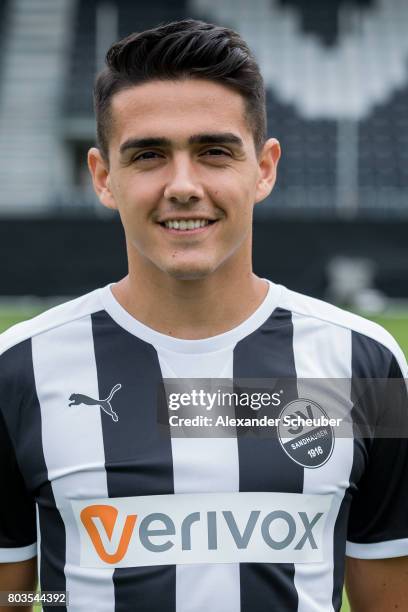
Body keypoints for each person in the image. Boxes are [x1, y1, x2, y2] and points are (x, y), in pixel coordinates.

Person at [0, 18, 407, 612]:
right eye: (149, 155)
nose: (183, 185)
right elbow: (15, 597)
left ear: (264, 168)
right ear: (103, 177)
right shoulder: (20, 370)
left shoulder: (364, 365)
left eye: (214, 151)